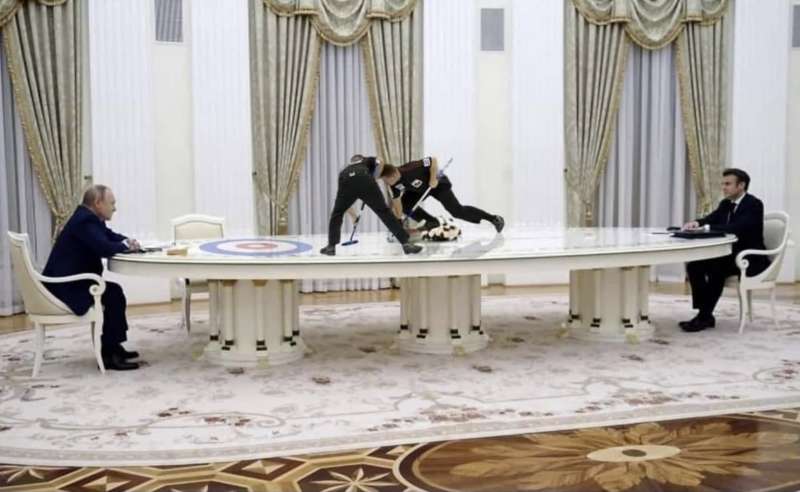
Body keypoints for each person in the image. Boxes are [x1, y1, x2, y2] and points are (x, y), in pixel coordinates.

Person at [43, 185, 143, 370]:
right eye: (111, 203)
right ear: (98, 203)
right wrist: (126, 246)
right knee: (113, 294)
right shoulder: (85, 221)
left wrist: (128, 240)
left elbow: (108, 236)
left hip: (73, 282)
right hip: (66, 287)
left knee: (113, 292)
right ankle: (109, 355)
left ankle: (113, 347)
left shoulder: (89, 218)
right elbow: (104, 247)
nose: (114, 208)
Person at [679, 168, 770, 332]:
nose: (724, 188)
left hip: (750, 258)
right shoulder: (726, 203)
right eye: (723, 184)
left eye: (728, 184)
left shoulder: (754, 204)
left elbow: (737, 227)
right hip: (730, 254)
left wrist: (706, 228)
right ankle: (705, 314)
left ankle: (704, 317)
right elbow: (711, 218)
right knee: (694, 265)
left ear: (741, 185)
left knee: (716, 269)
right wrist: (697, 223)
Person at [320, 155, 423, 256]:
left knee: (337, 213)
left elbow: (342, 203)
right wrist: (374, 177)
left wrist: (353, 216)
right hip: (365, 178)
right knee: (384, 212)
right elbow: (380, 160)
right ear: (361, 158)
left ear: (351, 162)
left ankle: (331, 247)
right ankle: (406, 244)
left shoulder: (345, 170)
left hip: (346, 179)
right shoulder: (367, 160)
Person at [381, 156, 505, 233]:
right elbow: (397, 203)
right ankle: (431, 222)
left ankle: (494, 218)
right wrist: (398, 221)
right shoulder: (393, 185)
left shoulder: (410, 169)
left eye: (387, 180)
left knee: (457, 211)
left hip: (437, 184)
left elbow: (432, 160)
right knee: (405, 205)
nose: (387, 183)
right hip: (419, 190)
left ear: (394, 174)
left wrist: (433, 179)